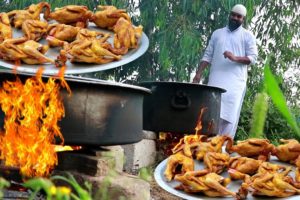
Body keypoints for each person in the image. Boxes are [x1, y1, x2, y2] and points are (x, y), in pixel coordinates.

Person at [192, 4, 258, 138]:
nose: (234, 18)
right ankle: (206, 146)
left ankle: (222, 150)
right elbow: (207, 55)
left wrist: (235, 58)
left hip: (235, 84)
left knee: (229, 117)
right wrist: (198, 74)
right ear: (230, 15)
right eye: (233, 14)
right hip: (215, 81)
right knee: (210, 114)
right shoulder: (217, 33)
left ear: (243, 19)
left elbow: (253, 58)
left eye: (238, 16)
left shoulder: (247, 36)